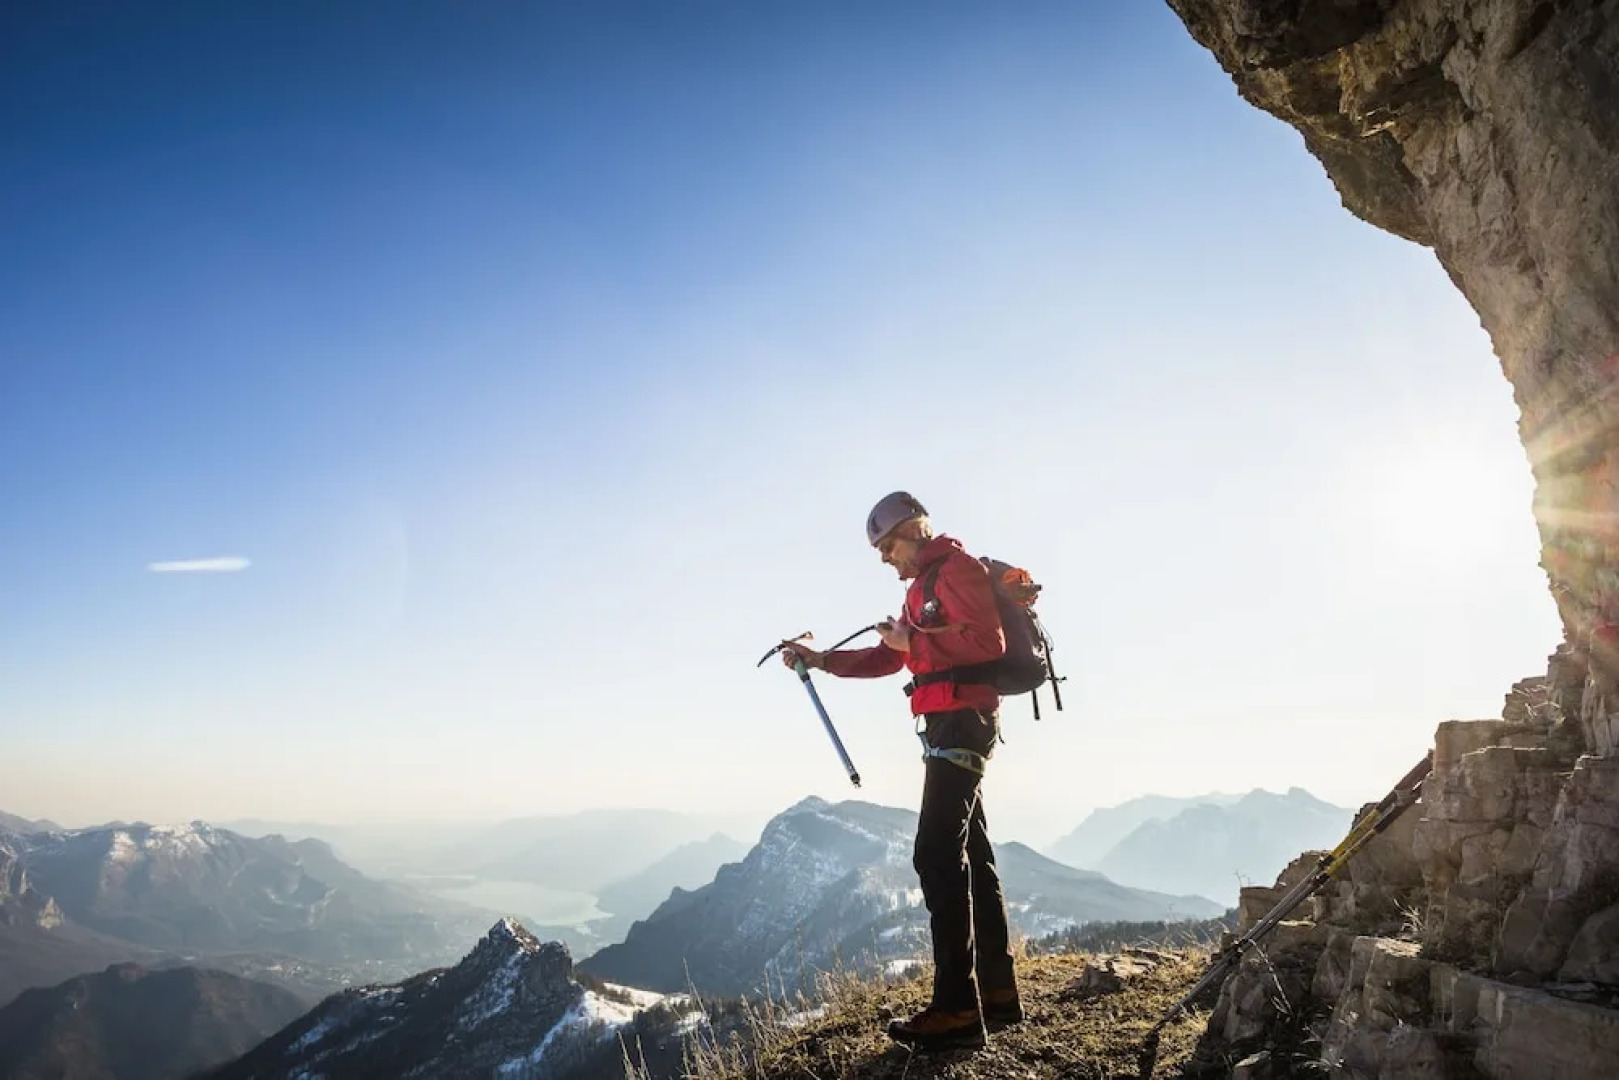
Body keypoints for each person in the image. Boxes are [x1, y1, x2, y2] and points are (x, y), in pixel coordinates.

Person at [781, 491, 1023, 1052]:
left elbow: (988, 642)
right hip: (949, 725)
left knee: (935, 855)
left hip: (962, 723)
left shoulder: (955, 570)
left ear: (914, 529)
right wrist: (822, 661)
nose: (886, 558)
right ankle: (998, 993)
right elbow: (892, 659)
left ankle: (957, 1010)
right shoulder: (922, 589)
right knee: (972, 855)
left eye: (888, 546)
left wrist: (913, 640)